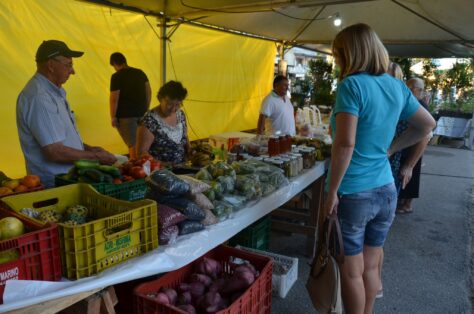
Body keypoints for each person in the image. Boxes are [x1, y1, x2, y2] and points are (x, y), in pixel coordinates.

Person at [324, 24, 435, 314]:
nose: (337, 61)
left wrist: (332, 190)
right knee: (371, 267)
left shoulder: (352, 85)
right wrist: (391, 148)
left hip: (354, 191)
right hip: (386, 190)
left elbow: (345, 145)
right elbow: (427, 125)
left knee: (351, 270)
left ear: (350, 53)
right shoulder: (396, 85)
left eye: (338, 55)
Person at [17, 40, 117, 188]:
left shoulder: (54, 92)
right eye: (68, 65)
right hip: (53, 184)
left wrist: (87, 148)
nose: (73, 71)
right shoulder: (39, 97)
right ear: (51, 65)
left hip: (66, 179)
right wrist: (96, 157)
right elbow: (54, 151)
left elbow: (59, 137)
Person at [394, 77, 431, 213]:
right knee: (404, 173)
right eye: (406, 86)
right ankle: (402, 201)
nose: (406, 90)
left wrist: (409, 165)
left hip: (413, 147)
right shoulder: (412, 102)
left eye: (410, 88)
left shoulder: (420, 106)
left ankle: (407, 204)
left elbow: (427, 134)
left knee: (410, 173)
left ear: (419, 90)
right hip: (405, 145)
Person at [109, 52, 151, 159]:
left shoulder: (116, 77)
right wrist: (146, 108)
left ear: (114, 63)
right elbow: (149, 91)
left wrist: (113, 116)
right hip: (142, 113)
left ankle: (136, 169)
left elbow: (114, 98)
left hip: (126, 117)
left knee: (133, 145)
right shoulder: (140, 73)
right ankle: (145, 168)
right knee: (143, 143)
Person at [136, 81, 189, 164]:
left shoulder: (180, 114)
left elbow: (185, 137)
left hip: (183, 168)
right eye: (169, 104)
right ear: (160, 98)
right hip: (160, 173)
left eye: (178, 104)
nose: (173, 109)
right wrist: (163, 164)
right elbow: (141, 154)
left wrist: (192, 152)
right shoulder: (148, 121)